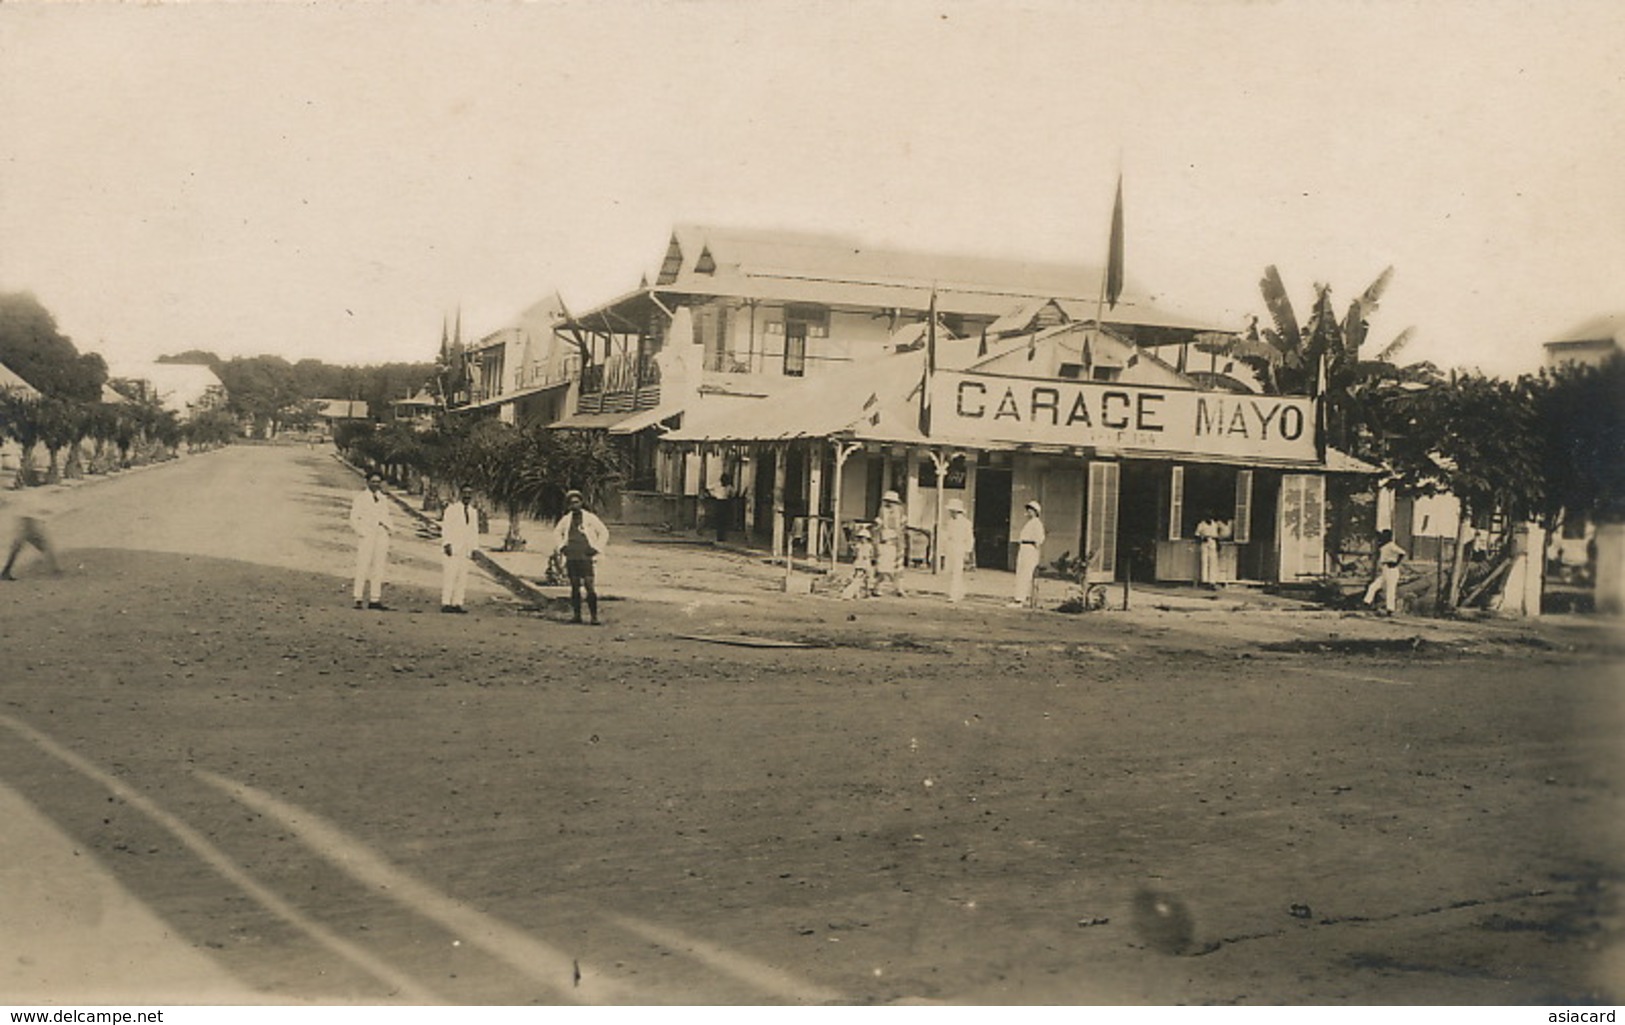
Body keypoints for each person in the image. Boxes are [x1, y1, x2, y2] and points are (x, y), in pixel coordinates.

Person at [552, 489, 609, 625]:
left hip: (586, 556)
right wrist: (562, 547)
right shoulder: (566, 519)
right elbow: (556, 533)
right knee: (575, 586)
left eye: (577, 502)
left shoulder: (590, 518)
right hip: (572, 556)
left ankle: (594, 616)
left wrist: (596, 548)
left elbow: (604, 532)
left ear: (581, 502)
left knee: (589, 585)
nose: (574, 505)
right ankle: (577, 615)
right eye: (571, 503)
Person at [349, 473, 394, 610]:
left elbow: (386, 515)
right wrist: (363, 533)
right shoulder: (361, 498)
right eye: (373, 481)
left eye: (378, 482)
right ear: (367, 482)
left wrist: (388, 528)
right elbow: (353, 519)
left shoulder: (382, 498)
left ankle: (375, 598)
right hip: (367, 535)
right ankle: (358, 597)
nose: (376, 484)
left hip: (381, 534)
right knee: (363, 565)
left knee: (378, 567)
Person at [1, 486, 62, 581]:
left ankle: (6, 571)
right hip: (29, 524)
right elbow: (34, 509)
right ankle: (56, 570)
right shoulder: (32, 493)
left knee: (16, 549)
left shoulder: (27, 492)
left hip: (25, 523)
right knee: (45, 545)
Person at [439, 484, 481, 614]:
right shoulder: (452, 509)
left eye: (470, 493)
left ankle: (457, 603)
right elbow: (446, 527)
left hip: (465, 549)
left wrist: (474, 548)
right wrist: (447, 544)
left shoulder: (473, 512)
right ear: (460, 494)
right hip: (453, 547)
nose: (467, 495)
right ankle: (446, 602)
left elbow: (474, 531)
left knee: (462, 577)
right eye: (465, 493)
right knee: (450, 575)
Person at [1362, 528, 1408, 614]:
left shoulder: (1391, 545)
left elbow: (1402, 553)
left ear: (1388, 537)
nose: (1382, 537)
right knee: (1374, 586)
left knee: (1390, 589)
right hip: (1385, 569)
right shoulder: (1385, 545)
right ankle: (1367, 603)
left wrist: (1396, 563)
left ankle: (1390, 609)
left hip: (1391, 569)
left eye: (1384, 535)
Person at [1010, 500, 1046, 608]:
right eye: (1028, 509)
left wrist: (1033, 547)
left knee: (1025, 574)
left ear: (1035, 512)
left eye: (1031, 510)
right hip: (1024, 548)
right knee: (1020, 573)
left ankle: (1020, 600)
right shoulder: (1029, 523)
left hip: (1030, 550)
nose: (1028, 512)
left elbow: (1040, 539)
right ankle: (1018, 597)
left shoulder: (1037, 524)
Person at [940, 497, 975, 603]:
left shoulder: (966, 523)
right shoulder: (950, 522)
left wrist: (967, 551)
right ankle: (961, 591)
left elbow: (969, 538)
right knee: (950, 571)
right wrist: (943, 549)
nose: (951, 513)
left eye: (952, 511)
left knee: (957, 571)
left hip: (960, 547)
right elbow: (946, 536)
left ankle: (954, 594)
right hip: (950, 547)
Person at [875, 489, 909, 597]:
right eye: (888, 501)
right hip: (885, 539)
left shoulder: (900, 511)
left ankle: (899, 588)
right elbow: (878, 525)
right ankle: (878, 587)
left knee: (898, 566)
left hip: (897, 540)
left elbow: (903, 526)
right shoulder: (882, 511)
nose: (889, 504)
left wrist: (900, 537)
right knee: (883, 565)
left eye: (892, 502)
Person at [840, 524, 877, 600]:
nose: (862, 539)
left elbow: (871, 554)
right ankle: (855, 593)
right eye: (861, 538)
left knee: (868, 579)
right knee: (858, 578)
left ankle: (866, 593)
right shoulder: (858, 546)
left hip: (866, 561)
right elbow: (855, 553)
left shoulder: (869, 546)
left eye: (863, 538)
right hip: (860, 562)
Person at [1194, 515, 1221, 589]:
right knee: (1204, 561)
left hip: (1213, 542)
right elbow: (1196, 535)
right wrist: (1202, 538)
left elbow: (1217, 536)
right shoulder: (1201, 524)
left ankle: (1212, 582)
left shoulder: (1214, 524)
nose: (1208, 517)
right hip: (1205, 542)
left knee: (1213, 562)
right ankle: (1204, 581)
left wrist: (1218, 544)